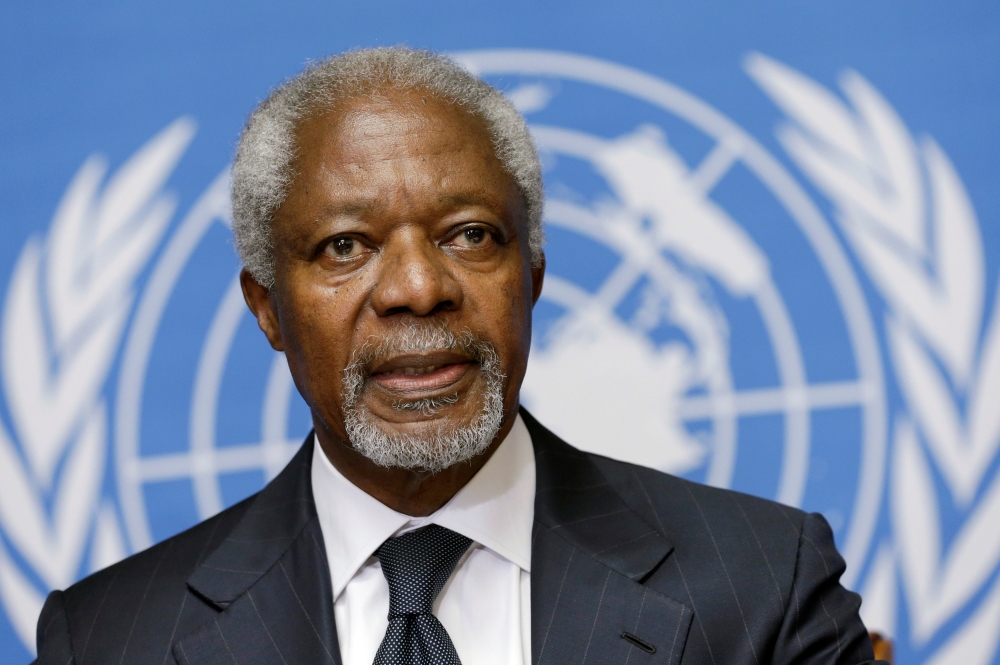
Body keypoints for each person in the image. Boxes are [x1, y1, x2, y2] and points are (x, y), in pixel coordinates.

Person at [33, 47, 884, 665]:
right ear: (267, 310)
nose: (416, 287)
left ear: (533, 276)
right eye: (343, 246)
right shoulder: (109, 637)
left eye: (470, 234)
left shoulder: (764, 586)